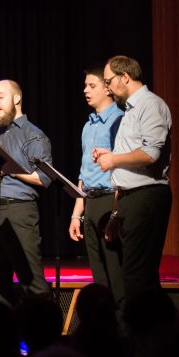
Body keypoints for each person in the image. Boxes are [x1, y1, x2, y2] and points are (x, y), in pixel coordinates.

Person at [93, 55, 172, 301]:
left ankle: (154, 334)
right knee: (134, 275)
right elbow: (131, 161)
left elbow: (150, 153)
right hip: (130, 198)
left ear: (124, 77)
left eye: (108, 81)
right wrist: (116, 213)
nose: (106, 88)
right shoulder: (129, 111)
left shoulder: (150, 105)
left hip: (147, 197)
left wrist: (113, 160)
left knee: (139, 276)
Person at [0, 79, 51, 305]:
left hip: (19, 210)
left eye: (0, 96)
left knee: (32, 281)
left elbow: (44, 178)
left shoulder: (33, 134)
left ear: (16, 99)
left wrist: (7, 170)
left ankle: (43, 335)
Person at [69, 68, 125, 306]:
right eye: (85, 85)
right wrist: (76, 214)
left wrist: (115, 211)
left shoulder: (119, 120)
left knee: (115, 272)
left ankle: (124, 329)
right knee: (98, 275)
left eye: (91, 85)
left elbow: (122, 171)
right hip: (90, 201)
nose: (85, 90)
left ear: (107, 88)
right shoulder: (88, 125)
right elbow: (84, 173)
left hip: (110, 199)